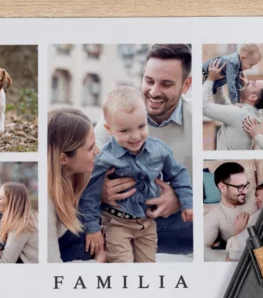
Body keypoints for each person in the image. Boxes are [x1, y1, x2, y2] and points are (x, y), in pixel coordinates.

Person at [94, 44, 193, 255]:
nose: (154, 92)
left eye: (166, 84)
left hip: (167, 222)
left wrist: (181, 199)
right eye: (149, 81)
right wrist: (99, 190)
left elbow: (201, 184)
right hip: (115, 217)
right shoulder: (113, 118)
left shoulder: (197, 125)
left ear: (186, 85)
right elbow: (85, 170)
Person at [78, 87, 193, 263]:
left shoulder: (159, 150)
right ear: (109, 129)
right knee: (122, 266)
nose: (135, 136)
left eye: (141, 126)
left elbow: (178, 174)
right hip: (117, 222)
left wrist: (186, 202)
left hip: (148, 223)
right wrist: (92, 229)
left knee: (147, 266)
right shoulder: (105, 159)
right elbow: (90, 196)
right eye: (124, 131)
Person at [47, 108, 104, 263]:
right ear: (63, 159)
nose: (97, 151)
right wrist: (98, 263)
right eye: (90, 148)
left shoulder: (83, 174)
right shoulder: (46, 199)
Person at [203, 59, 263, 150]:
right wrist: (220, 79)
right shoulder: (249, 113)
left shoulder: (240, 114)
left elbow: (202, 106)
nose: (247, 81)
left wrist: (210, 79)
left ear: (253, 97)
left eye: (253, 84)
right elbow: (222, 103)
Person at [204, 162, 256, 251]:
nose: (246, 191)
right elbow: (203, 250)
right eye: (240, 187)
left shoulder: (256, 195)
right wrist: (239, 234)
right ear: (222, 187)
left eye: (245, 185)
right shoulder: (214, 216)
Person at [0, 182, 38, 263]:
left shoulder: (20, 226)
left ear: (11, 204)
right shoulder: (30, 217)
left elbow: (6, 263)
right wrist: (0, 254)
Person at [225, 180, 263, 261]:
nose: (256, 200)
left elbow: (235, 254)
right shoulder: (261, 214)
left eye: (258, 195)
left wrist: (239, 231)